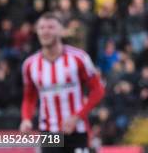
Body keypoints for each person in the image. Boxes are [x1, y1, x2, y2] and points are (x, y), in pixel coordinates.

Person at [20, 12, 105, 153]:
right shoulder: (30, 64)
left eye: (51, 27)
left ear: (61, 30)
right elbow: (29, 97)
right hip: (48, 132)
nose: (45, 31)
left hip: (77, 129)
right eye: (41, 28)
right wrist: (26, 118)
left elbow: (98, 90)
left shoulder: (79, 58)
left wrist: (77, 116)